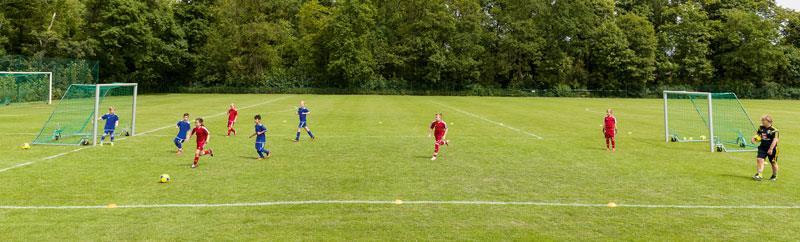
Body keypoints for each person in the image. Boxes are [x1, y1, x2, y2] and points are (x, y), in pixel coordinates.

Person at [752, 114, 779, 181]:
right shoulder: (761, 127)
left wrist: (771, 149)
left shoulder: (774, 130)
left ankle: (774, 175)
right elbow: (758, 135)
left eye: (763, 120)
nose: (762, 122)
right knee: (759, 159)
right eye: (762, 120)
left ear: (769, 121)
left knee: (773, 162)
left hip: (772, 149)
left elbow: (775, 140)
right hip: (762, 147)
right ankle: (759, 174)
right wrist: (753, 138)